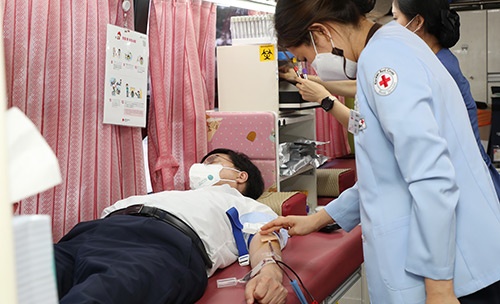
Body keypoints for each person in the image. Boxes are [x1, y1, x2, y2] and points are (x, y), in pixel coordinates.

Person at [261, 0, 500, 303]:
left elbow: (431, 176)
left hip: (456, 276)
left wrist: (439, 286)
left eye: (306, 57)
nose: (313, 66)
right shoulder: (386, 51)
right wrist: (318, 219)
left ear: (320, 33)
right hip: (456, 265)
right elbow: (385, 172)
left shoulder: (386, 63)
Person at [54, 148, 288, 304]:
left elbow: (264, 237)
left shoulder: (243, 204)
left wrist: (269, 273)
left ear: (241, 176)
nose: (201, 167)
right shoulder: (174, 194)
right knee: (23, 277)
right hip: (92, 233)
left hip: (161, 246)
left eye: (213, 163)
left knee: (93, 296)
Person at [392, 0, 500, 200]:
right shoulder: (435, 60)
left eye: (395, 18)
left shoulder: (440, 68)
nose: (392, 28)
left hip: (465, 181)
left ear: (417, 23)